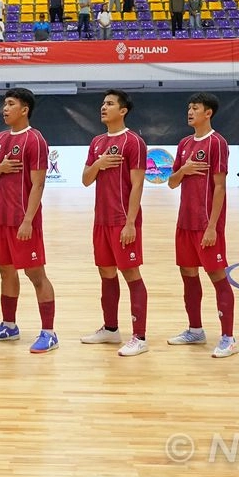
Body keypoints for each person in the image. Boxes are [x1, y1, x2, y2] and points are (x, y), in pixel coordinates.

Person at [0, 88, 58, 354]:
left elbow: (38, 184)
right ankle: (9, 326)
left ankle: (49, 333)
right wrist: (0, 168)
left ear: (24, 110)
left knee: (36, 274)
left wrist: (28, 221)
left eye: (10, 104)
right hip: (2, 219)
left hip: (25, 221)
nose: (5, 108)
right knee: (6, 271)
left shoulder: (35, 140)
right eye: (4, 104)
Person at [79, 90, 149, 356]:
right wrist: (99, 163)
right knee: (106, 273)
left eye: (109, 103)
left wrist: (130, 223)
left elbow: (137, 184)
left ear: (123, 110)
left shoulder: (134, 142)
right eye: (103, 103)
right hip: (101, 220)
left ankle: (140, 337)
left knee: (131, 274)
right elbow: (86, 180)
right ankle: (110, 329)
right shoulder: (97, 142)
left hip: (123, 221)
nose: (103, 107)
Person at [167, 92, 236, 358]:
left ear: (208, 113)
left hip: (207, 224)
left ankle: (228, 337)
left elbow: (220, 187)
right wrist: (183, 170)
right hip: (185, 222)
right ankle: (195, 330)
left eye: (195, 108)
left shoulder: (217, 142)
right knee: (188, 273)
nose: (190, 111)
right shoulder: (184, 143)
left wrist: (212, 227)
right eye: (189, 107)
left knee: (217, 276)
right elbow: (172, 182)